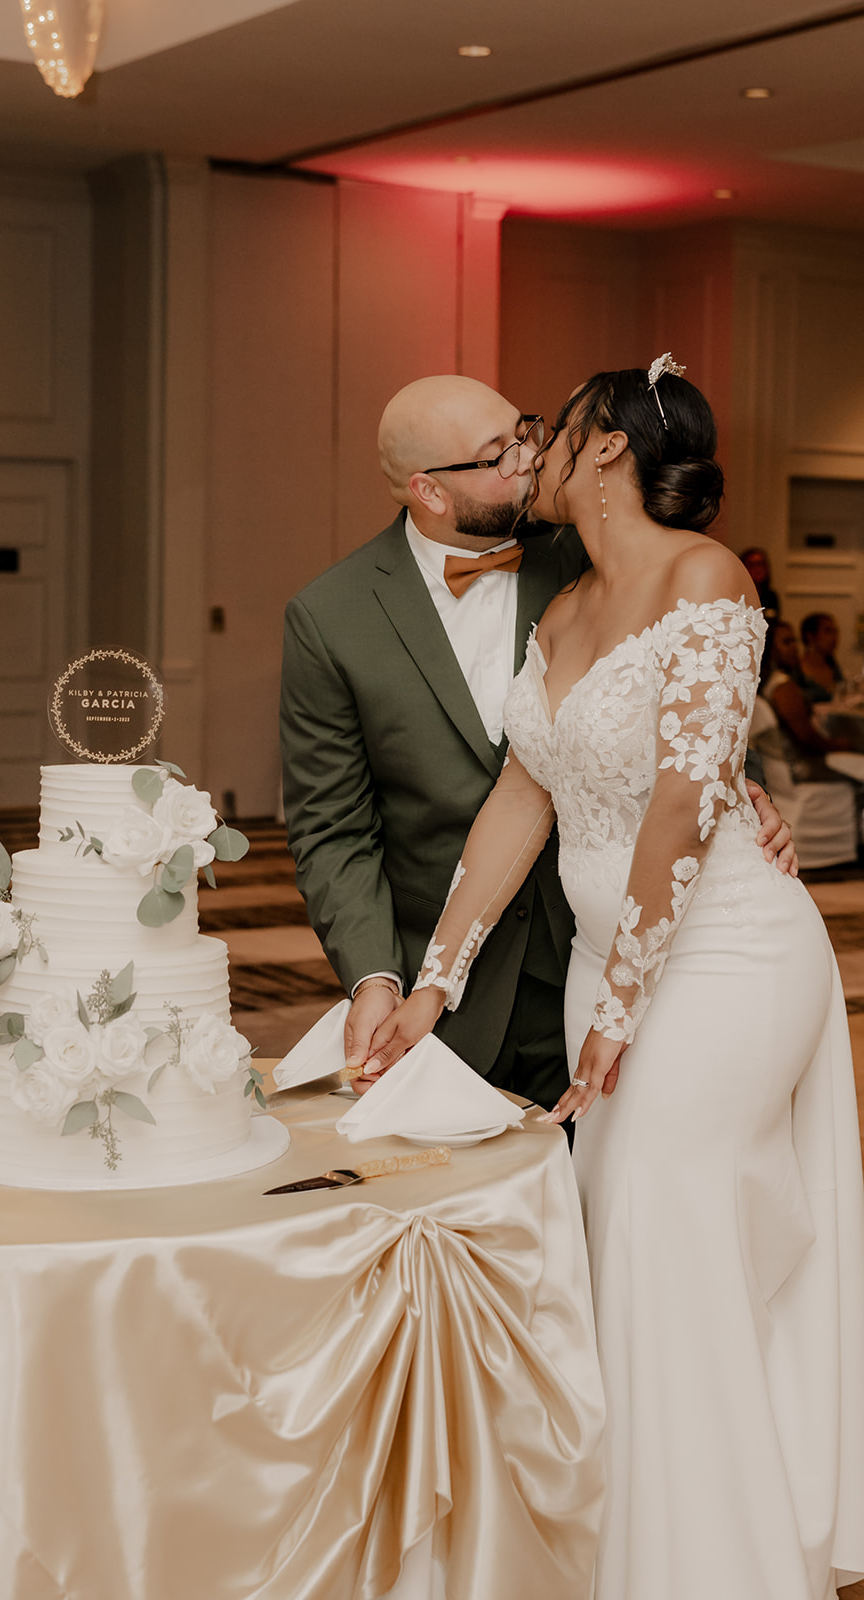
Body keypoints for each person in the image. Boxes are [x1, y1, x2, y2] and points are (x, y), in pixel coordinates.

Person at [363, 362, 864, 1599]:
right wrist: (433, 982)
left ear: (603, 451)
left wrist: (626, 1008)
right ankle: (641, 1552)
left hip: (726, 956)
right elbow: (520, 801)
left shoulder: (705, 577)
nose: (531, 450)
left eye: (551, 430)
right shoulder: (562, 607)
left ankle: (718, 1568)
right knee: (627, 1245)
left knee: (655, 1211)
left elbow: (686, 806)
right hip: (611, 967)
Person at [279, 376, 793, 1113]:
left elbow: (680, 730)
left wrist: (737, 789)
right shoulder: (328, 617)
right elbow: (334, 828)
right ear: (428, 491)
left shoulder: (583, 553)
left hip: (622, 952)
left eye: (527, 433)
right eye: (499, 452)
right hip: (452, 980)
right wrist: (389, 979)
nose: (527, 457)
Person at [758, 618, 854, 779]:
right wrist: (841, 745)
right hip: (798, 766)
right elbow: (807, 738)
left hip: (776, 768)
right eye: (787, 642)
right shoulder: (782, 686)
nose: (795, 647)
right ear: (770, 648)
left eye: (795, 641)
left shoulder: (768, 681)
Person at [799, 609, 846, 702]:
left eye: (835, 632)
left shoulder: (834, 666)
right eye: (828, 631)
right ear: (810, 636)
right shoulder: (798, 670)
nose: (834, 637)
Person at [739, 544, 780, 622]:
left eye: (761, 564)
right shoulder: (739, 596)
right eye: (752, 565)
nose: (758, 569)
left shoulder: (771, 596)